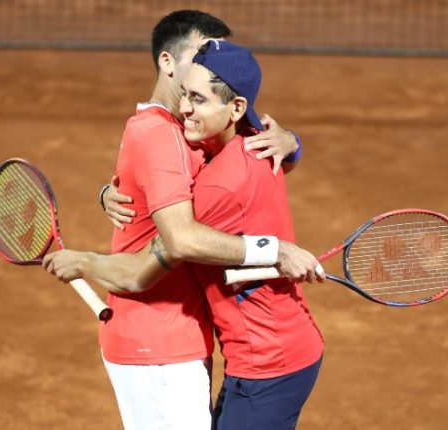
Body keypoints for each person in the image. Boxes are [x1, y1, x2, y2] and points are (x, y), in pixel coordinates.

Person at [43, 10, 323, 430]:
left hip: (215, 345)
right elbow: (175, 238)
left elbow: (171, 245)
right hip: (160, 345)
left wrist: (292, 143)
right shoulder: (170, 134)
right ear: (169, 63)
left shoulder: (202, 139)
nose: (208, 61)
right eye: (200, 54)